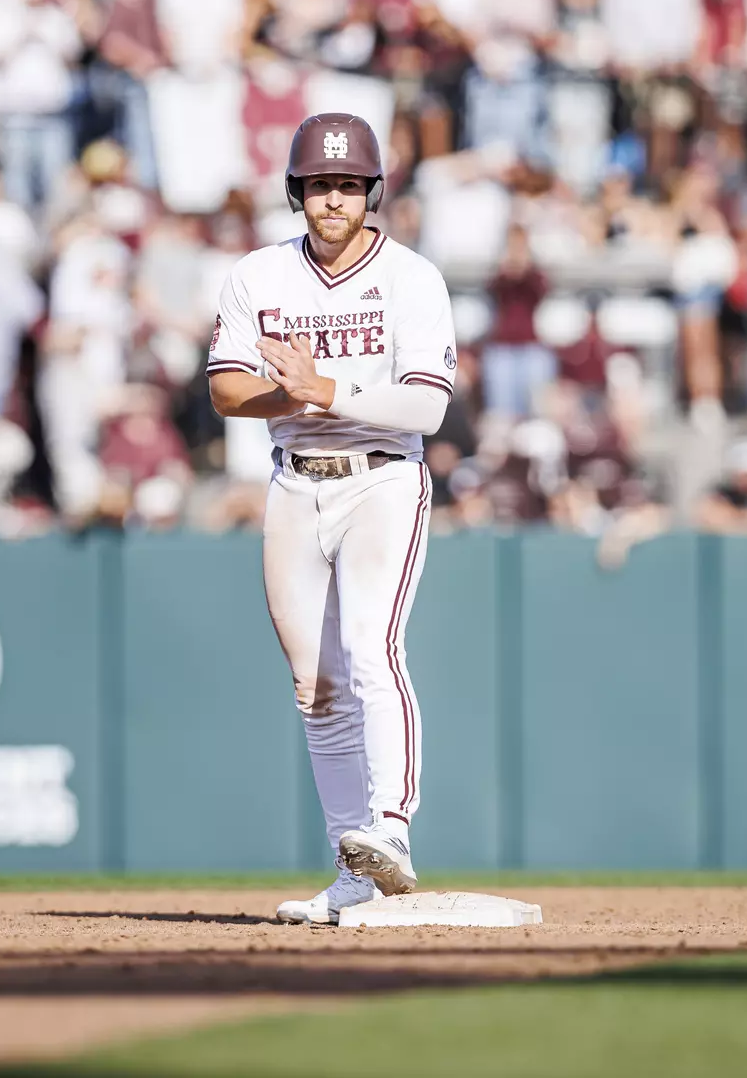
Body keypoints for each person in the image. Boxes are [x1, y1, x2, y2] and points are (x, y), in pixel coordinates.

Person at [207, 114, 455, 925]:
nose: (333, 199)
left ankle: (392, 828)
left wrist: (329, 390)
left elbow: (425, 404)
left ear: (371, 191)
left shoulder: (412, 277)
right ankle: (353, 864)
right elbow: (225, 390)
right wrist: (297, 394)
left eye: (347, 184)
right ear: (296, 193)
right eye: (318, 184)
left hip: (381, 478)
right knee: (314, 686)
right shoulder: (258, 275)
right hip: (293, 478)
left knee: (370, 649)